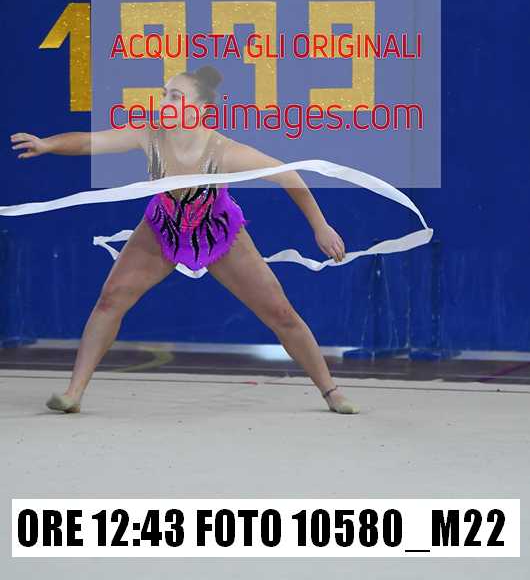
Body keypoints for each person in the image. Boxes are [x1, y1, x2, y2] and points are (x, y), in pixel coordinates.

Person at [10, 66, 359, 415]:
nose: (165, 102)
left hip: (218, 232)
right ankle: (73, 393)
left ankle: (331, 391)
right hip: (162, 227)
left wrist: (321, 226)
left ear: (200, 109)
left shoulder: (224, 151)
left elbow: (287, 176)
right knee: (110, 300)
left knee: (280, 312)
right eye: (164, 94)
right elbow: (89, 141)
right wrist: (48, 144)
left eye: (175, 97)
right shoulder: (148, 134)